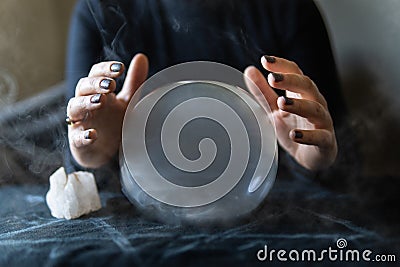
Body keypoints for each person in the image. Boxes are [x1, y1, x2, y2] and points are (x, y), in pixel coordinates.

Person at [64, 0, 348, 183]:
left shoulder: (289, 10)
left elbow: (347, 161)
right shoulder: (99, 9)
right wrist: (98, 153)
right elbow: (75, 165)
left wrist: (315, 163)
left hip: (270, 223)